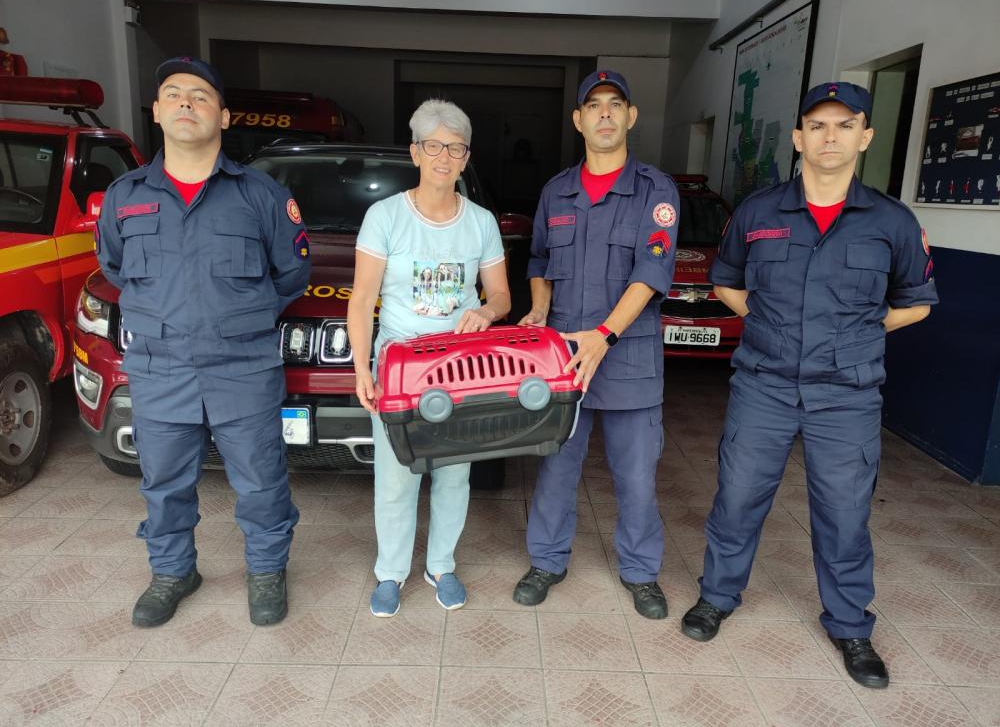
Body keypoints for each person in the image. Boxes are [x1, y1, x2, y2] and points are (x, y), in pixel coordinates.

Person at [681, 82, 938, 689]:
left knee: (845, 514)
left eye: (845, 125)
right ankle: (717, 597)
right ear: (798, 137)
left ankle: (850, 625)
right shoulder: (758, 212)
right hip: (764, 385)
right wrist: (773, 327)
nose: (830, 136)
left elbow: (918, 302)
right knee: (737, 500)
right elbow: (726, 284)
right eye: (817, 125)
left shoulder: (892, 222)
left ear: (865, 137)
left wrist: (859, 332)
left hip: (846, 395)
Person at [97, 57, 310, 627]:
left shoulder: (260, 195)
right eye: (173, 94)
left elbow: (291, 275)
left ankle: (266, 570)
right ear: (157, 111)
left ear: (224, 114)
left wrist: (237, 318)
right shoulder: (125, 196)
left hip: (243, 366)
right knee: (163, 483)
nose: (186, 103)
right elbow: (117, 269)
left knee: (261, 480)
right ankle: (172, 572)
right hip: (160, 366)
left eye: (200, 95)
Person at [513, 70, 680, 619]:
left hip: (627, 359)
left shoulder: (656, 191)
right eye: (594, 105)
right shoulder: (555, 191)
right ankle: (547, 561)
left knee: (636, 476)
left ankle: (640, 572)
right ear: (578, 120)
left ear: (631, 117)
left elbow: (652, 272)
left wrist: (605, 334)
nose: (605, 113)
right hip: (562, 360)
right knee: (556, 468)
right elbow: (539, 260)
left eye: (616, 104)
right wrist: (538, 306)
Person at [347, 99, 511, 618]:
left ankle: (441, 564)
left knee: (454, 471)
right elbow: (360, 298)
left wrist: (486, 313)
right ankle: (390, 572)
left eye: (456, 148)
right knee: (398, 473)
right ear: (415, 152)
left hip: (459, 368)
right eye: (434, 145)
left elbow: (502, 296)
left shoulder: (481, 222)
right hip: (399, 364)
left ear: (466, 158)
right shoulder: (385, 216)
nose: (445, 156)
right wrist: (360, 368)